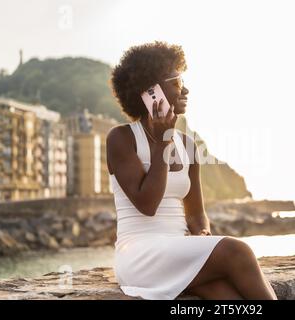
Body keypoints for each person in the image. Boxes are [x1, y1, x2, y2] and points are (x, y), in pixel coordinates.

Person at [107, 41, 277, 300]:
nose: (185, 89)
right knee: (238, 251)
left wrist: (202, 235)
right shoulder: (121, 138)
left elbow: (196, 215)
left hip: (178, 251)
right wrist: (162, 142)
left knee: (227, 296)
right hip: (140, 255)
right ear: (151, 91)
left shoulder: (187, 146)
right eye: (176, 81)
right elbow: (147, 203)